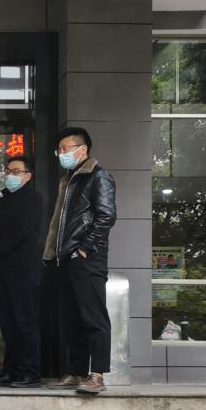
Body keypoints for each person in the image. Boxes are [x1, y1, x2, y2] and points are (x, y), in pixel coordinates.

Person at [44, 126, 117, 395]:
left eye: (66, 148)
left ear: (83, 149)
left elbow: (106, 215)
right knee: (71, 319)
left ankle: (97, 375)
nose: (62, 153)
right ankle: (77, 372)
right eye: (59, 149)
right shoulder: (69, 179)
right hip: (64, 259)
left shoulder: (99, 176)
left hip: (87, 259)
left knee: (93, 317)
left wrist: (85, 248)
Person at [0, 155, 45, 388]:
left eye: (16, 171)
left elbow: (22, 231)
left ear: (28, 176)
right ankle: (12, 371)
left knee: (25, 321)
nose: (10, 175)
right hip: (5, 268)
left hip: (25, 267)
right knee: (8, 324)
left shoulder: (33, 199)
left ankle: (30, 373)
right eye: (8, 171)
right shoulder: (2, 202)